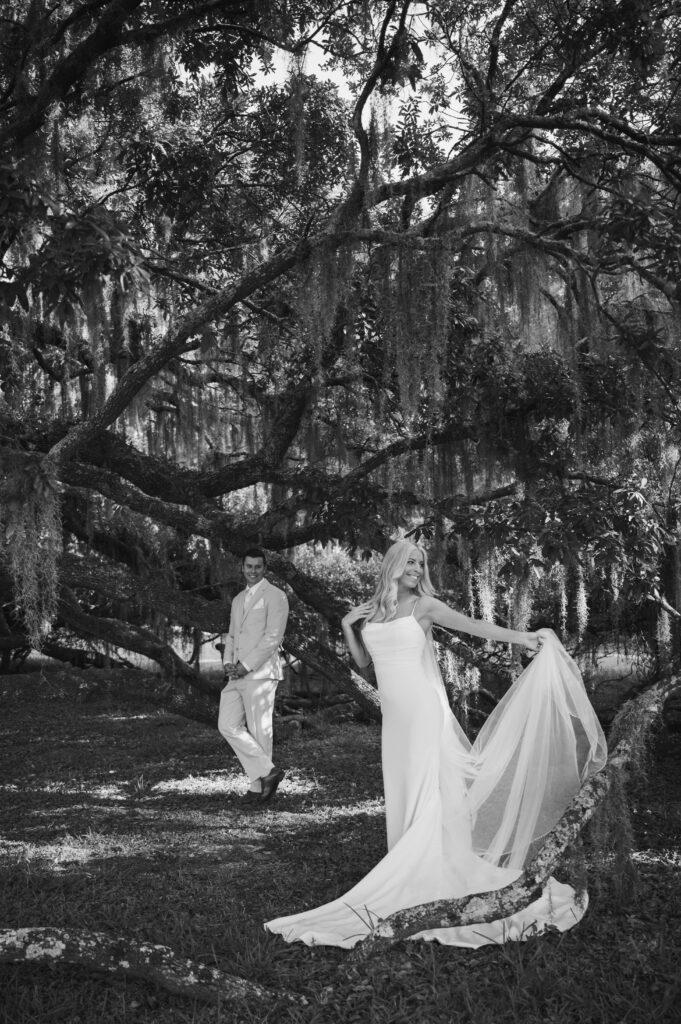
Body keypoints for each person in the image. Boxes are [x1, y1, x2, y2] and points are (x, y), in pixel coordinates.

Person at [265, 539, 606, 946]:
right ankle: (406, 860)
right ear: (392, 563)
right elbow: (362, 663)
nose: (415, 568)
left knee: (428, 791)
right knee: (404, 787)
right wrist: (346, 627)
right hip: (396, 720)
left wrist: (526, 637)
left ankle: (424, 869)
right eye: (409, 561)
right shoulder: (373, 611)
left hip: (424, 714)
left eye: (420, 562)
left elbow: (474, 626)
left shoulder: (425, 607)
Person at [217, 548, 289, 803]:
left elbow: (273, 638)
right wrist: (227, 662)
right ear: (243, 567)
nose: (253, 571)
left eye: (258, 567)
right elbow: (232, 635)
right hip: (235, 674)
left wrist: (246, 665)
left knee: (260, 731)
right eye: (249, 566)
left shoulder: (276, 596)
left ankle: (259, 790)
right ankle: (269, 772)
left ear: (265, 568)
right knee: (227, 724)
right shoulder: (238, 599)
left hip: (260, 673)